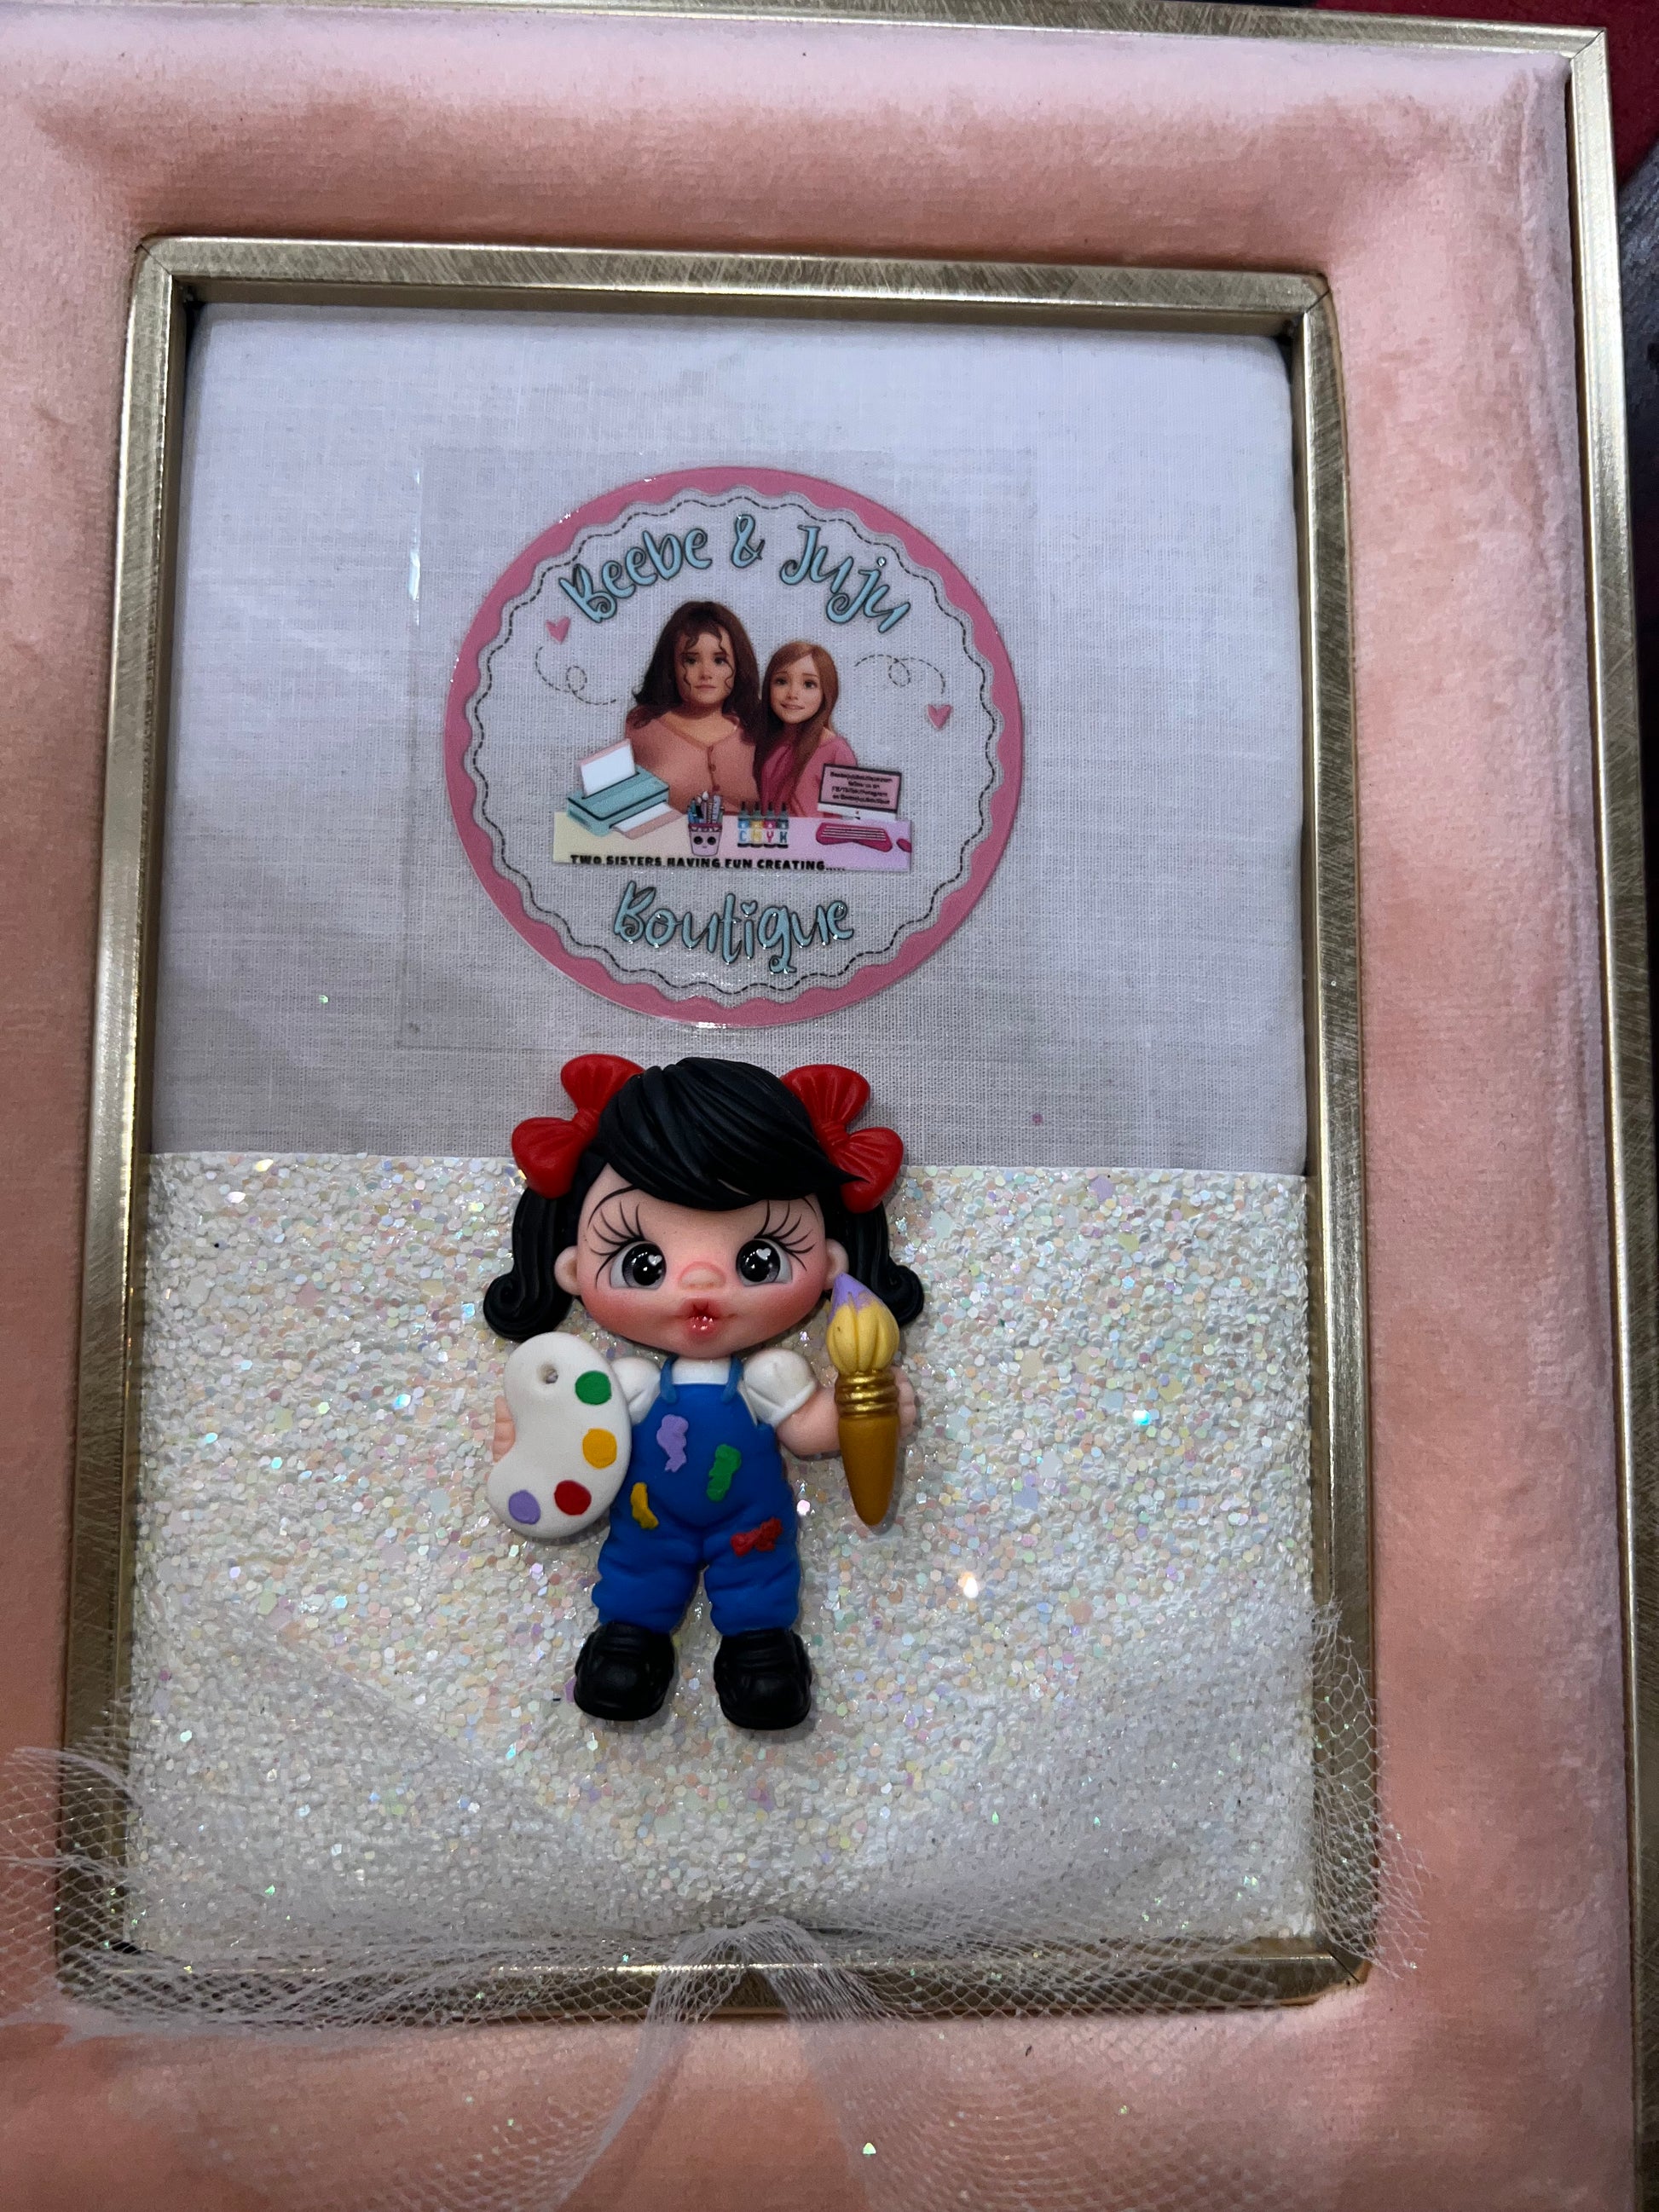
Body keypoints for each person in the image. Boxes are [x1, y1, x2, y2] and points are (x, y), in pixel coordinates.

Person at [485, 1056, 922, 1730]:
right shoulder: (626, 1383)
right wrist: (531, 1439)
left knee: (760, 1580)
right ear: (572, 1267)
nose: (699, 1283)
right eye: (645, 1263)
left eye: (757, 1259)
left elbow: (808, 1432)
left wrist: (866, 1416)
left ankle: (760, 1652)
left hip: (752, 1522)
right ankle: (627, 1643)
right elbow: (576, 1441)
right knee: (637, 1573)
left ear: (828, 1263)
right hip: (647, 1518)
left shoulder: (772, 1375)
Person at [625, 601, 764, 811]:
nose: (706, 673)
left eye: (719, 661)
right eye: (691, 660)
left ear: (739, 664)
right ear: (671, 665)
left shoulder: (759, 728)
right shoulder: (641, 725)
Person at [754, 639, 858, 816]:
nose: (793, 694)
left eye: (809, 684)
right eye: (781, 681)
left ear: (826, 693)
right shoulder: (768, 743)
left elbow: (851, 820)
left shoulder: (836, 751)